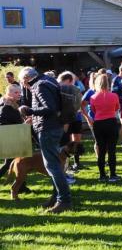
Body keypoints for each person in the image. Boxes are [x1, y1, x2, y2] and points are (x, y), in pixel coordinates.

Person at [18, 67, 71, 213]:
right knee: (54, 165)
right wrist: (34, 115)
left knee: (53, 166)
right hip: (54, 127)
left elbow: (50, 108)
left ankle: (64, 200)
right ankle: (56, 197)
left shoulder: (39, 85)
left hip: (48, 129)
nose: (24, 86)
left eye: (23, 82)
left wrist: (30, 111)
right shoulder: (48, 81)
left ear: (26, 79)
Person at [0, 84, 31, 194]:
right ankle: (21, 187)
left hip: (15, 138)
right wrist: (24, 124)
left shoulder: (13, 104)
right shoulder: (6, 107)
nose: (19, 94)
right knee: (10, 163)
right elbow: (4, 125)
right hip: (10, 139)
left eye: (19, 92)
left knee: (19, 162)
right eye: (15, 92)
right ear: (9, 93)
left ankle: (22, 187)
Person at [90, 74, 121, 182]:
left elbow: (93, 110)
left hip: (98, 124)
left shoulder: (93, 97)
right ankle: (112, 174)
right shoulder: (114, 96)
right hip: (111, 122)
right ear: (108, 83)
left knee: (101, 150)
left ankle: (102, 175)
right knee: (112, 150)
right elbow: (117, 108)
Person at [57, 71, 84, 171]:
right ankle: (66, 167)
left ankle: (76, 163)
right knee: (65, 142)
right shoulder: (58, 89)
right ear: (69, 80)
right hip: (66, 120)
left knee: (75, 141)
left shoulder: (75, 89)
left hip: (75, 118)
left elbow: (79, 103)